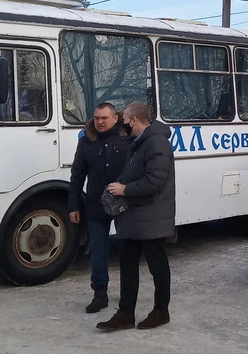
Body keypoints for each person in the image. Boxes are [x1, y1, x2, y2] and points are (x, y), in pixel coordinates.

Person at [97, 102, 175, 332]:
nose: (122, 126)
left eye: (124, 122)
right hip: (133, 216)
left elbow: (155, 181)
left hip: (151, 217)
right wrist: (118, 184)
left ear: (134, 120)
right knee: (127, 266)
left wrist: (125, 190)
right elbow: (132, 173)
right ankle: (125, 313)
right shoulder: (139, 143)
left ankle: (161, 311)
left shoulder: (157, 143)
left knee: (157, 267)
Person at [68, 103, 132, 314]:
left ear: (115, 118)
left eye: (104, 118)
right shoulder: (86, 142)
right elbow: (77, 176)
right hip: (96, 205)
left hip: (125, 203)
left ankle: (128, 291)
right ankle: (100, 292)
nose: (100, 122)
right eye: (97, 118)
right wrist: (74, 205)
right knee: (98, 251)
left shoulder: (128, 138)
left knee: (128, 250)